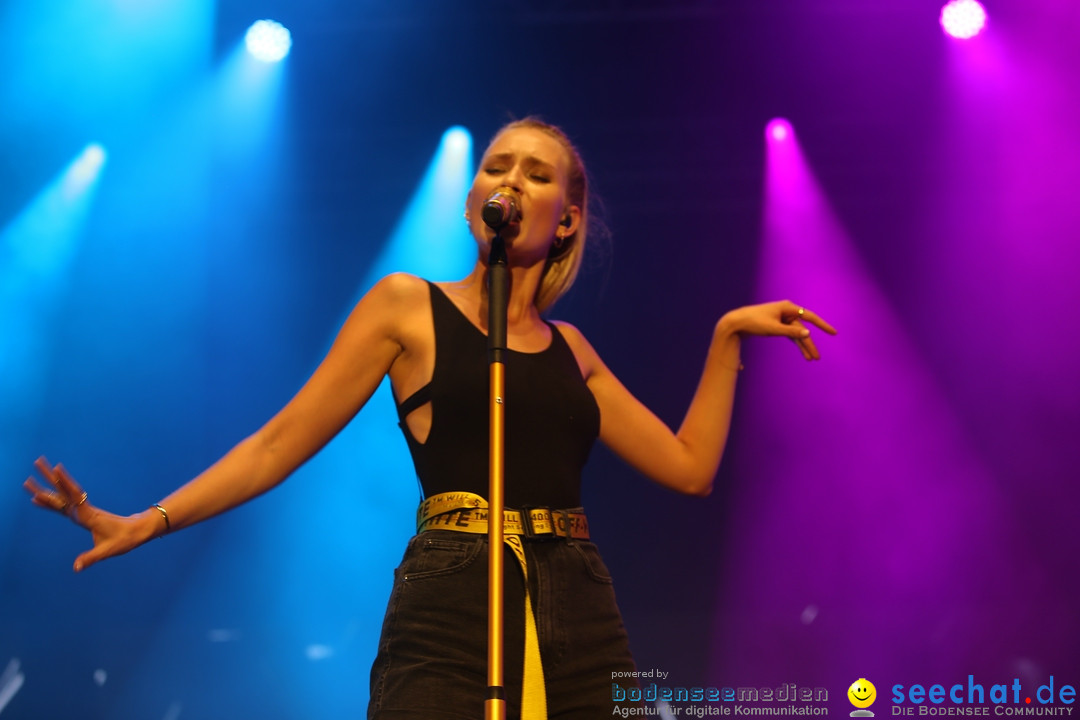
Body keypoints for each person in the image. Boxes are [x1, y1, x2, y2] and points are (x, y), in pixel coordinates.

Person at [24, 117, 836, 719]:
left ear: (568, 219)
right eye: (497, 167)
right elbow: (276, 443)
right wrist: (147, 520)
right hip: (450, 596)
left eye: (536, 173)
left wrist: (727, 340)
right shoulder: (407, 307)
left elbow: (690, 467)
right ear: (473, 199)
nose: (510, 181)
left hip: (576, 602)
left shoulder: (574, 350)